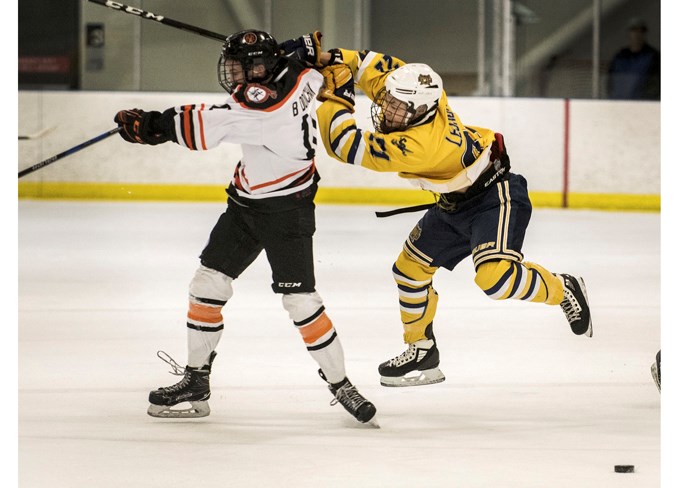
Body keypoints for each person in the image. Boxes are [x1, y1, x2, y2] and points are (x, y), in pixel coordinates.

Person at [282, 34, 592, 387]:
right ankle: (421, 348)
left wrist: (334, 95)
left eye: (398, 108)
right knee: (409, 269)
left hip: (496, 196)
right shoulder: (421, 90)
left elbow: (343, 144)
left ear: (421, 111)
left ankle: (562, 288)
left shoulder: (419, 146)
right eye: (388, 101)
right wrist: (325, 56)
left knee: (495, 278)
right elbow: (368, 64)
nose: (387, 109)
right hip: (454, 203)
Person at [112, 30, 376, 424]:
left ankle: (342, 385)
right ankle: (196, 380)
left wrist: (151, 126)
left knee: (300, 301)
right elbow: (309, 58)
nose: (231, 72)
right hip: (246, 204)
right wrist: (298, 47)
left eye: (239, 65)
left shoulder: (259, 110)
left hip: (287, 211)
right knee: (207, 284)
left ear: (259, 68)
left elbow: (204, 124)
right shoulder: (303, 74)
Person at [607, 17, 660, 100]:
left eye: (641, 31)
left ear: (644, 34)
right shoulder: (620, 56)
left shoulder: (653, 57)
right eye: (634, 30)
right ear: (628, 33)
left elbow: (656, 85)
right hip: (619, 105)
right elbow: (610, 82)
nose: (637, 34)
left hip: (643, 106)